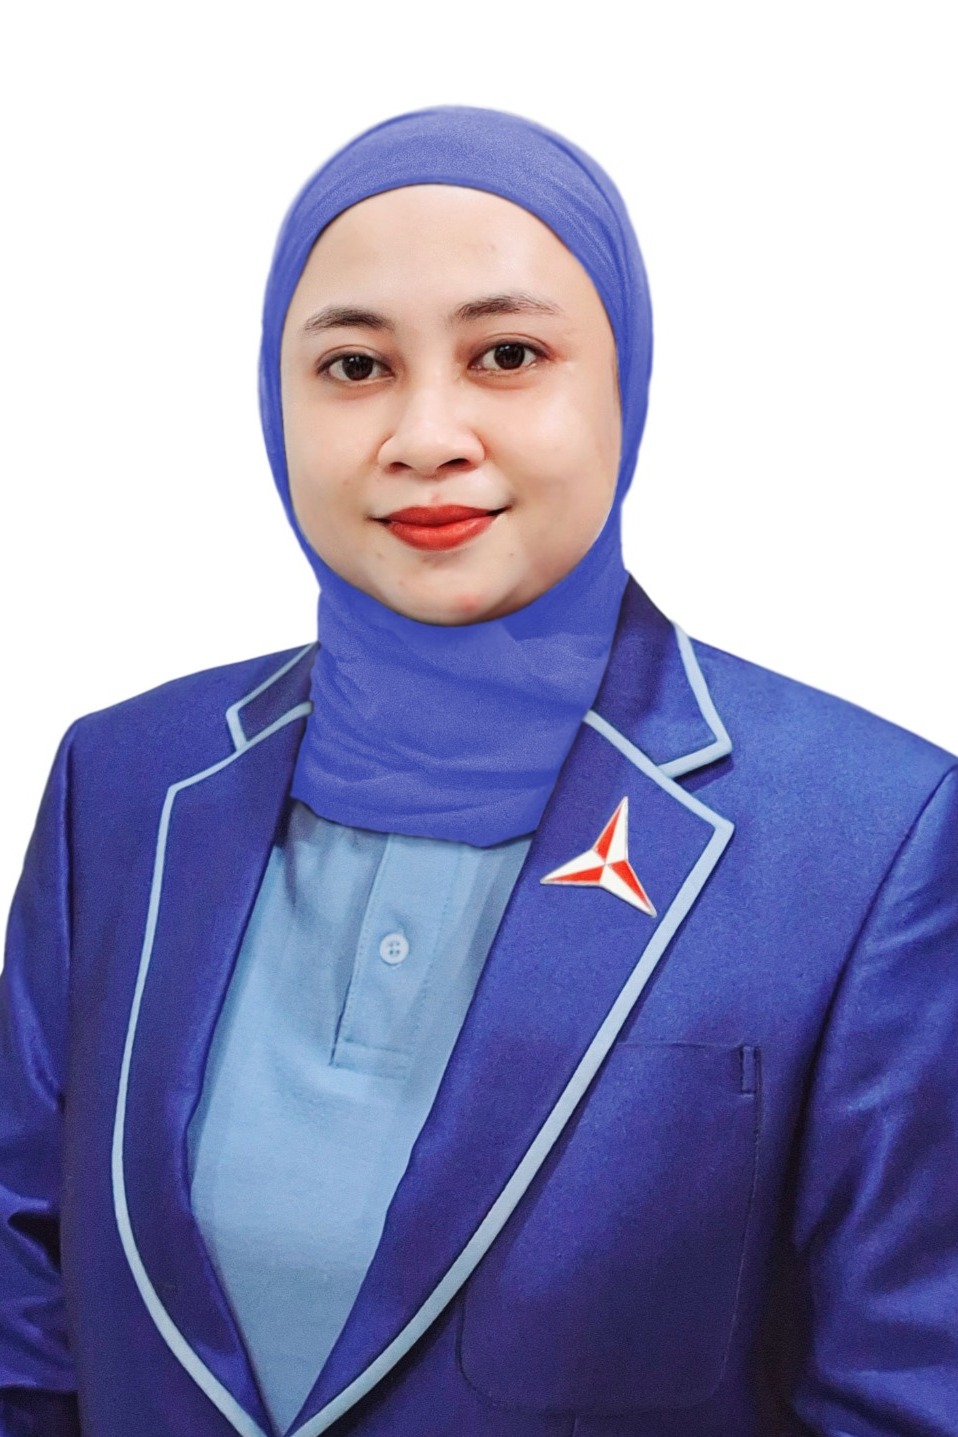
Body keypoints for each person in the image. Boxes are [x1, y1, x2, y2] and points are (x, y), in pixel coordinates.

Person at [1, 105, 956, 1437]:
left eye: (507, 354)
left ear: (623, 384)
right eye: (354, 365)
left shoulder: (868, 838)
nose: (426, 432)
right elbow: (24, 1304)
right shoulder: (121, 784)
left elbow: (907, 1392)